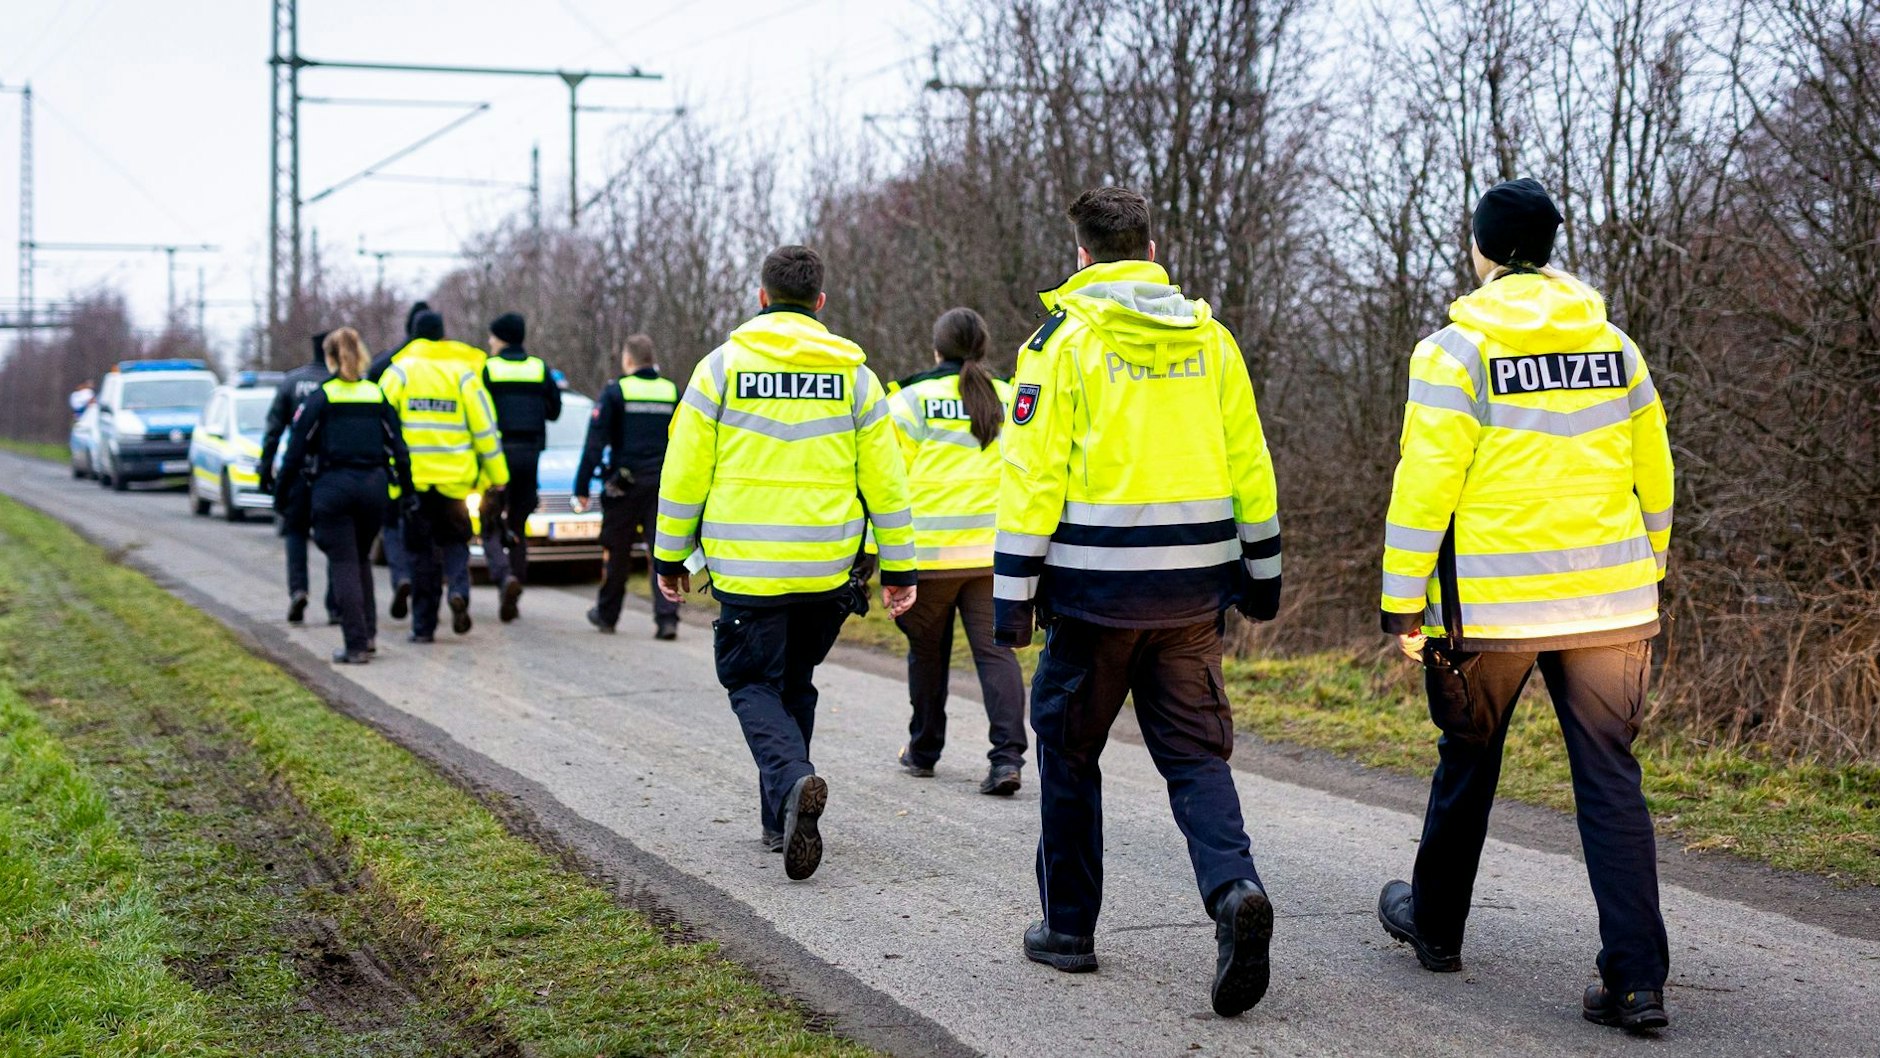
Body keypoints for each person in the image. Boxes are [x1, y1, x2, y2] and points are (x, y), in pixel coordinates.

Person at [1373, 178, 1676, 1033]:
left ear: (1480, 248)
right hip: (1610, 605)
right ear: (1549, 247)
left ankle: (1436, 928)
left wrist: (1402, 601)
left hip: (1492, 612)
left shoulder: (1455, 352)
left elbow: (1424, 488)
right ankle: (1637, 982)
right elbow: (1655, 472)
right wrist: (1649, 561)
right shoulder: (1616, 348)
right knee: (1610, 778)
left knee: (1468, 759)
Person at [994, 187, 1282, 1018]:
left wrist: (1013, 599)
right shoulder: (1211, 340)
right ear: (1151, 251)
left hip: (1095, 599)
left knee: (1069, 753)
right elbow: (1249, 460)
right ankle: (1234, 890)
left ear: (1083, 256)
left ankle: (1068, 930)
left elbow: (1032, 478)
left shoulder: (1061, 343)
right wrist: (1263, 572)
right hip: (1192, 596)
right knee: (1195, 757)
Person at [653, 245, 917, 881]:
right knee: (795, 682)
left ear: (762, 297)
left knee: (751, 683)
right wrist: (901, 568)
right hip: (826, 570)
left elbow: (684, 471)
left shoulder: (720, 370)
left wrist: (669, 555)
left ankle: (793, 780)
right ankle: (780, 819)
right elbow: (887, 483)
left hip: (749, 570)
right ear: (819, 302)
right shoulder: (856, 377)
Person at [886, 307, 1027, 795]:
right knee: (997, 655)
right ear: (983, 348)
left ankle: (924, 751)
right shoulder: (1012, 397)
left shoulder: (909, 401)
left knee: (927, 655)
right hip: (993, 556)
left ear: (937, 349)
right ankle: (1007, 760)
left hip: (928, 557)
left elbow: (888, 483)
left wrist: (880, 556)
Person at [277, 328, 413, 664]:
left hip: (333, 488)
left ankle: (355, 645)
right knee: (361, 558)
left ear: (330, 358)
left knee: (344, 562)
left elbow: (295, 451)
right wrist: (407, 491)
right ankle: (368, 636)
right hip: (374, 488)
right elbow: (399, 448)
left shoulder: (322, 398)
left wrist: (281, 494)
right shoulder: (376, 395)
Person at [378, 324, 507, 642]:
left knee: (420, 554)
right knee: (456, 543)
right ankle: (458, 591)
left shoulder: (400, 372)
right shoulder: (463, 374)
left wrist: (384, 471)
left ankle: (423, 627)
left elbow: (379, 420)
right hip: (456, 482)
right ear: (444, 337)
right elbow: (485, 430)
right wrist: (498, 477)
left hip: (414, 484)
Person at [573, 333, 679, 638]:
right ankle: (667, 619)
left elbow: (595, 442)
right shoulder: (671, 391)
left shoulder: (616, 391)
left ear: (628, 359)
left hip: (625, 486)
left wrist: (581, 487)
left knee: (617, 553)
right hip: (662, 485)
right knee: (662, 552)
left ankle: (607, 615)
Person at [479, 312, 562, 622]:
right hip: (530, 455)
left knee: (489, 521)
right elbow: (554, 411)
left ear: (502, 338)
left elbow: (479, 411)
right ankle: (516, 584)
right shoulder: (539, 368)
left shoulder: (488, 368)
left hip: (498, 457)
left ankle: (504, 577)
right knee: (517, 523)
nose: (490, 341)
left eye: (492, 336)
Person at [259, 332, 339, 626]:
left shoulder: (291, 382)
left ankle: (298, 590)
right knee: (337, 539)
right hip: (331, 473)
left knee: (295, 533)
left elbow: (273, 431)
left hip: (298, 473)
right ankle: (335, 605)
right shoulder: (341, 383)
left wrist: (266, 469)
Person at [370, 301, 441, 619]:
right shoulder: (449, 367)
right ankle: (429, 589)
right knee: (429, 536)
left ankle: (401, 577)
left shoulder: (385, 364)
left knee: (391, 525)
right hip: (438, 467)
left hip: (390, 463)